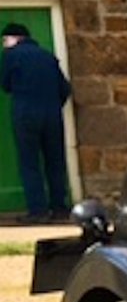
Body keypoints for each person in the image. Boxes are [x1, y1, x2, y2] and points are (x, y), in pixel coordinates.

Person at [1, 22, 73, 223]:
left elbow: (5, 84)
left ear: (15, 38)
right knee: (55, 161)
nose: (4, 44)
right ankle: (59, 207)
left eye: (5, 40)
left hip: (25, 113)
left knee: (29, 162)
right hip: (52, 114)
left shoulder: (11, 55)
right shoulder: (48, 56)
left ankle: (38, 211)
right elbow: (65, 89)